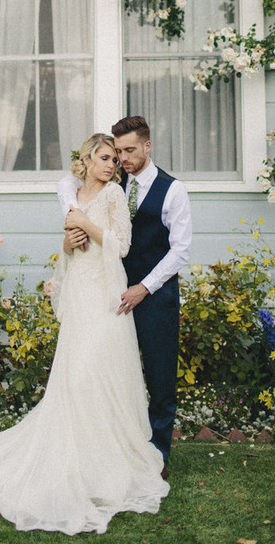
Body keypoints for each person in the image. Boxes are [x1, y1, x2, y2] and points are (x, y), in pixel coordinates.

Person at [0, 133, 169, 535]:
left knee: (99, 372)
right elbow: (72, 250)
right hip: (80, 291)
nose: (112, 165)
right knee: (74, 376)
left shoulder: (114, 196)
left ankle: (102, 462)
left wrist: (86, 224)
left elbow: (122, 246)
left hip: (105, 295)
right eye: (104, 157)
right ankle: (71, 455)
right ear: (87, 159)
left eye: (115, 159)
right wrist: (68, 238)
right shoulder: (74, 194)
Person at [57, 116, 192, 473]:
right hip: (107, 293)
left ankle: (157, 454)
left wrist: (144, 287)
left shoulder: (172, 190)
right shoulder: (113, 183)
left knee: (159, 377)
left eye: (129, 151)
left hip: (153, 293)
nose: (122, 160)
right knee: (110, 372)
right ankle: (109, 447)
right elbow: (69, 185)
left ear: (147, 146)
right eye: (117, 153)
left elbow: (180, 251)